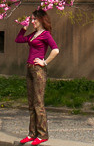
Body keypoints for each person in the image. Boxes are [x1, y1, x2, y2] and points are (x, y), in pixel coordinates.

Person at [15, 9, 60, 146]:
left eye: (34, 19)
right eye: (32, 19)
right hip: (29, 69)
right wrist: (23, 28)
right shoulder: (34, 34)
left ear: (41, 19)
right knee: (31, 103)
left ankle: (42, 134)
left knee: (38, 103)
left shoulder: (45, 35)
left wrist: (44, 62)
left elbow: (55, 50)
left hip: (38, 70)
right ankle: (32, 133)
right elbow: (19, 39)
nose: (32, 22)